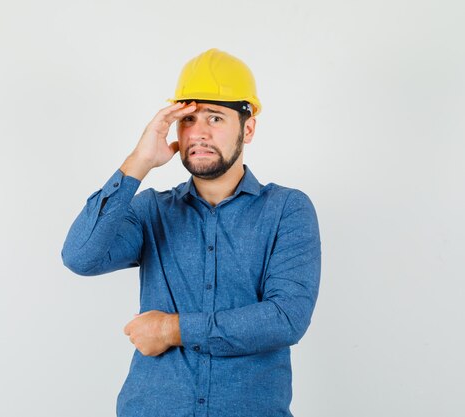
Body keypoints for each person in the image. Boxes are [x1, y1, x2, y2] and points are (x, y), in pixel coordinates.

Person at [61, 48, 321, 417]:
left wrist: (172, 329)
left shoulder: (286, 210)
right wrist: (138, 163)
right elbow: (80, 257)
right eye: (187, 119)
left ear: (248, 129)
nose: (198, 132)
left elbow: (285, 318)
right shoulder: (150, 210)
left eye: (215, 118)